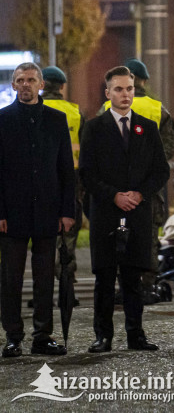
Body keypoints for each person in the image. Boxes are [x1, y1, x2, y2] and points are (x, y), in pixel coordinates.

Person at [79, 66, 170, 352]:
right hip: (106, 211)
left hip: (137, 211)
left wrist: (139, 194)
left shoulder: (147, 126)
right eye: (118, 89)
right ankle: (102, 336)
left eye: (129, 88)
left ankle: (136, 335)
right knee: (105, 277)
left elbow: (161, 171)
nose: (125, 94)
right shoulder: (94, 128)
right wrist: (115, 196)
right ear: (108, 94)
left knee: (133, 277)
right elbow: (87, 174)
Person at [0, 62, 76, 358]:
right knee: (10, 278)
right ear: (13, 85)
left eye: (31, 79)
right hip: (13, 213)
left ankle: (42, 335)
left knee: (45, 277)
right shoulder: (3, 120)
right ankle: (12, 337)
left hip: (47, 211)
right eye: (20, 80)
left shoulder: (57, 120)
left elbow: (66, 170)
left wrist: (67, 211)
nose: (26, 84)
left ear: (41, 84)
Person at [103, 58, 174, 299]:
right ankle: (147, 286)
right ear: (144, 80)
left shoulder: (106, 108)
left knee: (118, 234)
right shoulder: (158, 109)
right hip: (148, 189)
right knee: (148, 237)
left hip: (117, 189)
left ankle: (122, 287)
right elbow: (168, 147)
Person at [40, 66, 86, 295]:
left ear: (41, 84)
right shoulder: (75, 112)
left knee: (43, 236)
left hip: (42, 180)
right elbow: (87, 151)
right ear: (61, 86)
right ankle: (67, 288)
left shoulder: (35, 109)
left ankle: (44, 289)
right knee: (68, 235)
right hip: (72, 180)